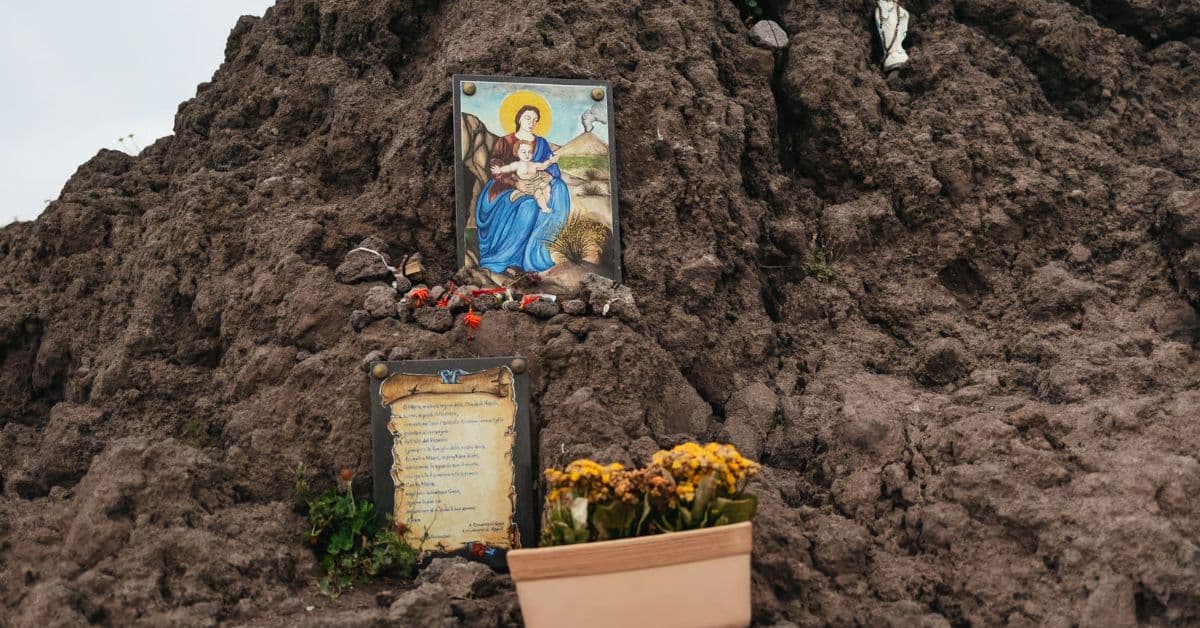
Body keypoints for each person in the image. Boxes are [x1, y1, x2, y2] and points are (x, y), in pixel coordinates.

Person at [474, 105, 571, 275]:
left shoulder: (541, 143)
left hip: (536, 183)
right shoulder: (505, 141)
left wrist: (549, 176)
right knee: (529, 205)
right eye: (528, 118)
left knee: (560, 189)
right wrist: (515, 183)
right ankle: (509, 259)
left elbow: (551, 166)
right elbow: (496, 169)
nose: (531, 122)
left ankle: (537, 253)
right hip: (505, 187)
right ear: (519, 118)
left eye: (535, 120)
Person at [490, 140, 558, 213]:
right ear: (517, 153)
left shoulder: (533, 164)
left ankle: (544, 206)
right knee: (538, 193)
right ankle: (544, 208)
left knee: (547, 189)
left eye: (529, 152)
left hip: (536, 182)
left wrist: (550, 161)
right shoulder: (517, 164)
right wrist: (500, 170)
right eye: (523, 152)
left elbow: (543, 166)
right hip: (526, 185)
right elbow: (508, 168)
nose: (527, 154)